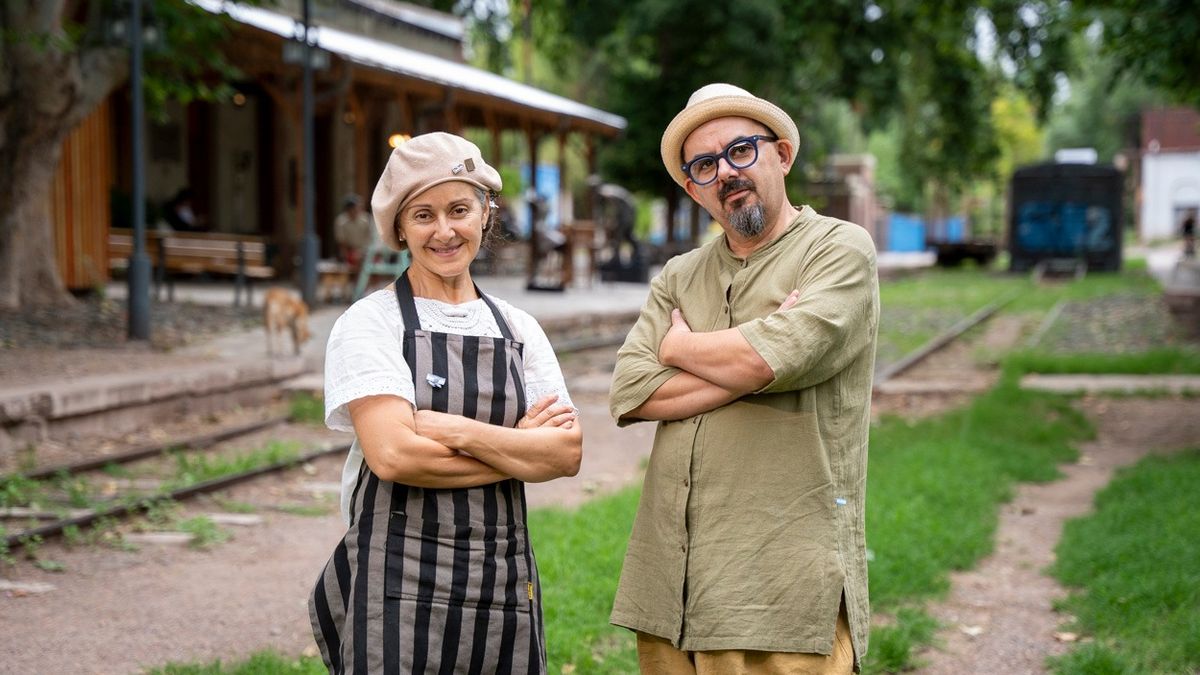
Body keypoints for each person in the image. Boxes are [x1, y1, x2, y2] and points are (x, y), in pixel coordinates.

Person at [608, 83, 880, 673]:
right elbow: (630, 388)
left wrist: (679, 347)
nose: (726, 173)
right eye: (704, 165)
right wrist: (752, 356)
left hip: (778, 590)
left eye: (741, 151)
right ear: (691, 187)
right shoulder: (680, 274)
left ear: (781, 155)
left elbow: (775, 356)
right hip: (672, 587)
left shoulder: (838, 250)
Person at [309, 132, 583, 674]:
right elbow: (395, 458)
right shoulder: (370, 323)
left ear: (485, 213)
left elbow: (564, 455)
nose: (444, 231)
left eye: (459, 209)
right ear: (400, 229)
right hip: (396, 582)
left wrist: (452, 431)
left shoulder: (519, 327)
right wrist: (515, 449)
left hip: (503, 582)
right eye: (423, 215)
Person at [334, 194, 375, 269]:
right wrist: (345, 257)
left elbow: (371, 238)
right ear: (349, 209)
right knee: (355, 260)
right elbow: (341, 242)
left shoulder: (366, 219)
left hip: (366, 250)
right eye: (355, 208)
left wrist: (364, 251)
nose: (358, 210)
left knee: (372, 261)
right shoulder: (341, 221)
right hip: (351, 251)